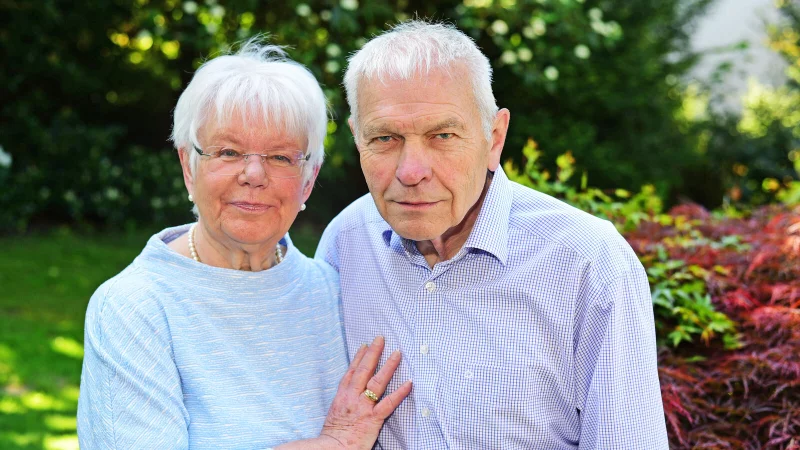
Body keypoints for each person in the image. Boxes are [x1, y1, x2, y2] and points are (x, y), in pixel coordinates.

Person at [316, 20, 669, 449]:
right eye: (385, 138)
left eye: (442, 135)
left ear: (494, 138)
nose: (411, 172)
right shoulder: (346, 244)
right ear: (357, 138)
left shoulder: (587, 261)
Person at [77, 41, 411, 449]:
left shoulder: (335, 292)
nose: (254, 174)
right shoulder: (135, 308)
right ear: (188, 165)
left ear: (309, 178)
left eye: (281, 157)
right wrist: (336, 443)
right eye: (229, 151)